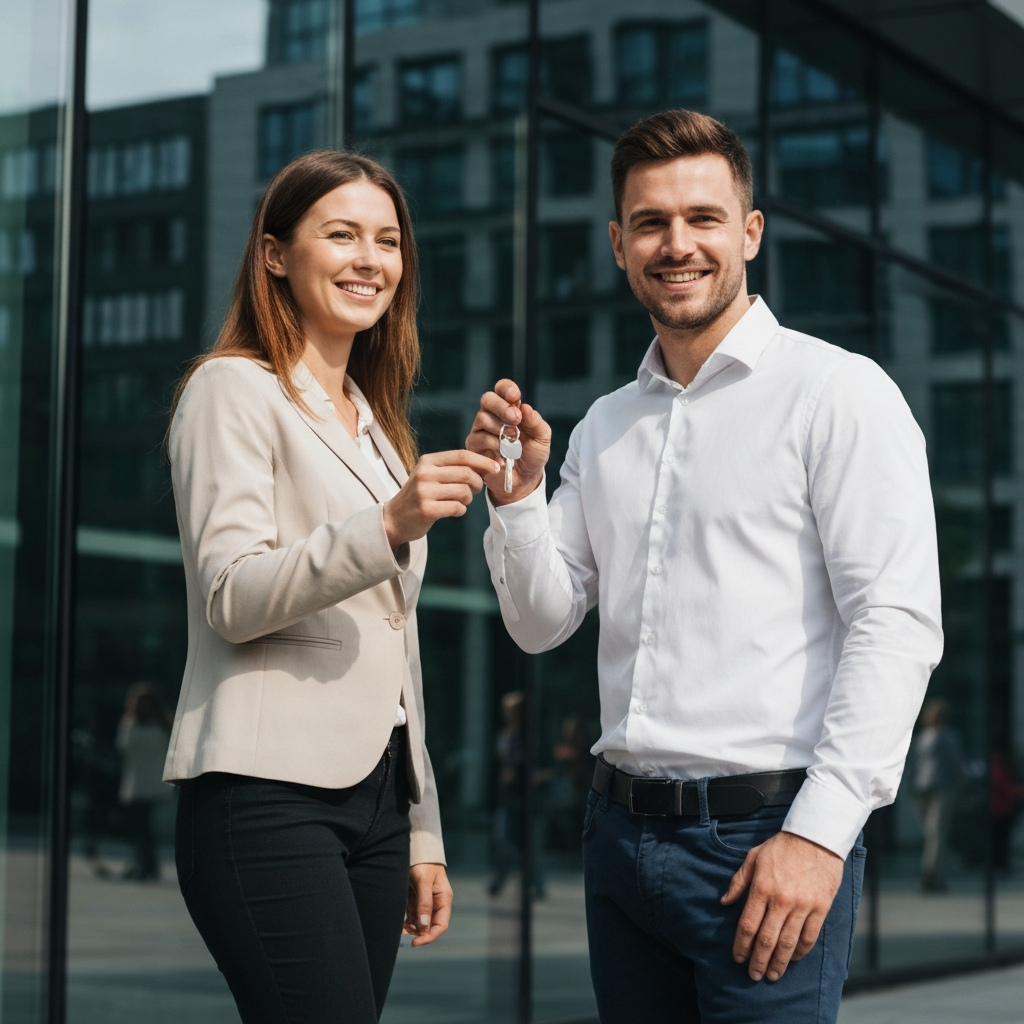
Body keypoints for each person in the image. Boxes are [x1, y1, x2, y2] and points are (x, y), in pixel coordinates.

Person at [467, 109, 943, 1023]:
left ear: (750, 232)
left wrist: (820, 835)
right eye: (649, 223)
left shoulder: (836, 393)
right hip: (617, 844)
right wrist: (518, 499)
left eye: (703, 218)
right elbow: (539, 622)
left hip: (765, 844)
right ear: (617, 243)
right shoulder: (605, 425)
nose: (675, 243)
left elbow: (896, 622)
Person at [163, 150, 500, 1024]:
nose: (370, 259)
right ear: (276, 254)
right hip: (263, 791)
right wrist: (386, 524)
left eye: (387, 240)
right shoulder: (230, 389)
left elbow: (399, 645)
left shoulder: (377, 428)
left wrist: (422, 831)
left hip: (378, 803)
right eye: (340, 234)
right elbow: (230, 594)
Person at [116, 682, 172, 881]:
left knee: (142, 828)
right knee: (142, 828)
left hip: (145, 784)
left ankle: (145, 864)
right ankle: (146, 864)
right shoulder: (158, 725)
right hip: (142, 783)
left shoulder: (151, 725)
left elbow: (123, 746)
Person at [911, 697, 964, 891]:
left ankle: (931, 871)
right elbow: (956, 764)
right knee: (937, 835)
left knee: (932, 834)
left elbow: (914, 765)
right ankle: (932, 873)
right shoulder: (948, 737)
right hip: (941, 788)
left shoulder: (922, 737)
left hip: (922, 788)